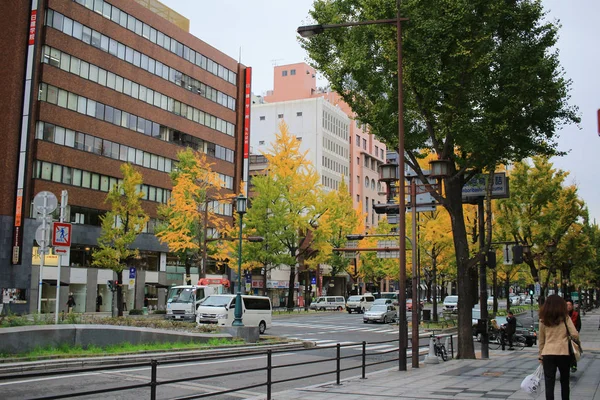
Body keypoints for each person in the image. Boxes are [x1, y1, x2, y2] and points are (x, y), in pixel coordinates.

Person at [538, 294, 579, 400]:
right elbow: (574, 334)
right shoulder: (565, 318)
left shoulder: (543, 319)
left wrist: (541, 354)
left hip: (548, 353)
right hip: (563, 352)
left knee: (549, 381)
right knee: (565, 381)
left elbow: (541, 339)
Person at [566, 300, 581, 372]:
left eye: (570, 305)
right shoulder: (563, 315)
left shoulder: (576, 314)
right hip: (565, 336)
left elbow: (579, 325)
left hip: (573, 336)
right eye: (567, 305)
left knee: (573, 351)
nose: (568, 306)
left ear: (572, 306)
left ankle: (573, 365)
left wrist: (575, 333)